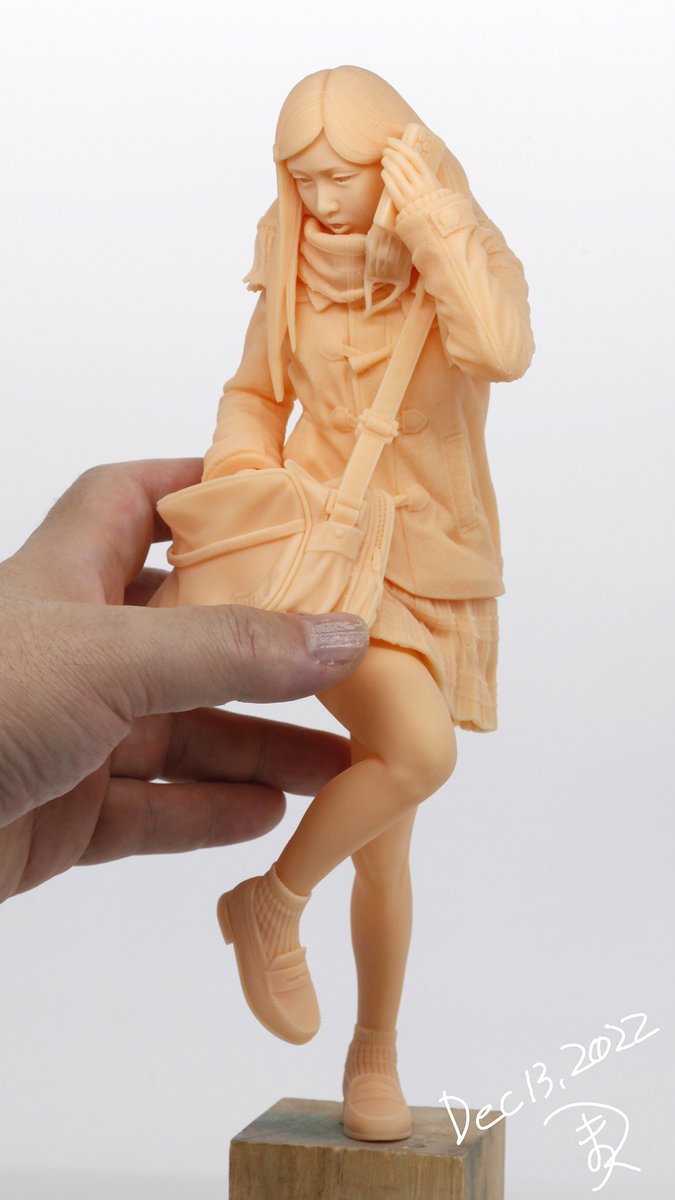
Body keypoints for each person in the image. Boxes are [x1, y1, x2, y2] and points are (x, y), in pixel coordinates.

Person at [154, 66, 535, 1141]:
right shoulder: (289, 262)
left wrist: (435, 217)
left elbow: (500, 349)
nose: (320, 199)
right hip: (328, 561)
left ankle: (374, 1056)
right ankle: (271, 904)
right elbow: (254, 393)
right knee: (418, 753)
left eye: (344, 176)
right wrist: (247, 483)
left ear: (395, 160)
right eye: (302, 177)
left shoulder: (460, 251)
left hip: (436, 562)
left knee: (387, 838)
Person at [0, 458, 369, 903]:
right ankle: (277, 901)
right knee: (416, 762)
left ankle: (277, 903)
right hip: (310, 536)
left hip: (348, 540)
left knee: (395, 792)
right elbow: (244, 436)